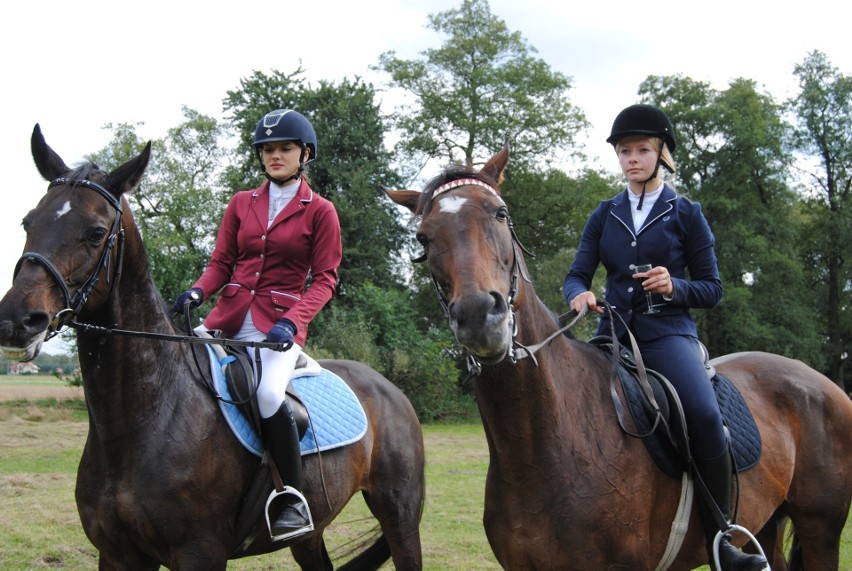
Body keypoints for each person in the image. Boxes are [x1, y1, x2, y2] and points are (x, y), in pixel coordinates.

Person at [562, 104, 768, 571]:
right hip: (611, 334)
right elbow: (576, 274)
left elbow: (713, 289)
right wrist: (579, 296)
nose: (631, 159)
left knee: (702, 414)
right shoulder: (605, 214)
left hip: (667, 337)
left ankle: (723, 540)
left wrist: (675, 286)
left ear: (661, 154)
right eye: (624, 151)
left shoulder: (686, 213)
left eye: (641, 150)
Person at [173, 109, 342, 541]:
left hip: (278, 331)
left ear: (305, 153)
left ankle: (291, 497)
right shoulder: (240, 203)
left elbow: (324, 281)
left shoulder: (320, 211)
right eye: (268, 149)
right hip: (226, 320)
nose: (275, 155)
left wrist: (292, 322)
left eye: (284, 148)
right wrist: (197, 293)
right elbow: (221, 263)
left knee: (268, 394)